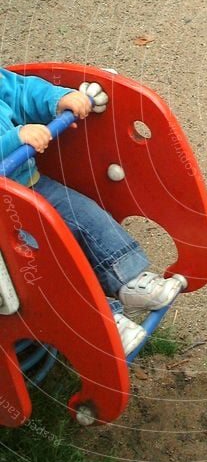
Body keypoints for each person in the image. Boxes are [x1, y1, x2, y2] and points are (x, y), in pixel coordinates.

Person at [0, 67, 182, 355]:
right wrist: (14, 139)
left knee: (87, 216)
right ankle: (101, 320)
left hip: (31, 185)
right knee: (46, 263)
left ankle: (129, 278)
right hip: (2, 218)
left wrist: (58, 99)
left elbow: (21, 91)